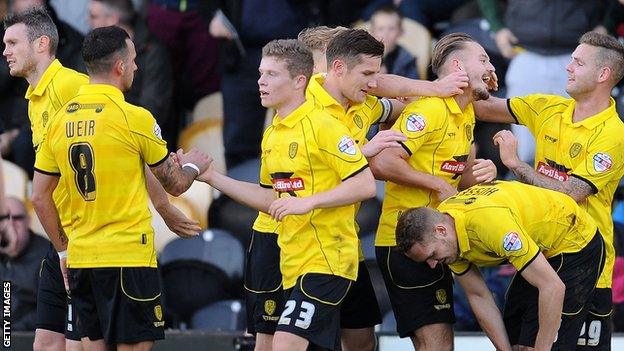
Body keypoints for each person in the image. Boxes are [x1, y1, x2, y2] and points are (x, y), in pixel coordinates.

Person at [30, 25, 211, 351]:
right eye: (134, 60)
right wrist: (195, 164)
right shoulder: (134, 118)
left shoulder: (58, 121)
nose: (137, 67)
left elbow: (38, 196)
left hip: (82, 259)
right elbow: (176, 183)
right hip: (127, 257)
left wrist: (63, 250)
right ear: (120, 67)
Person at [195, 39, 376, 351]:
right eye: (261, 74)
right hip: (292, 260)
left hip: (328, 259)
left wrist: (308, 202)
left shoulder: (324, 125)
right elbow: (271, 199)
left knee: (284, 344)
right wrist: (212, 179)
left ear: (299, 81)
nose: (261, 82)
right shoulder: (274, 132)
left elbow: (365, 184)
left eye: (271, 75)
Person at [475, 31, 624, 350]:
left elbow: (573, 191)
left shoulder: (613, 134)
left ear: (602, 74)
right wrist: (468, 81)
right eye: (570, 59)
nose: (568, 67)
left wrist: (518, 165)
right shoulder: (549, 107)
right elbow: (483, 109)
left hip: (585, 268)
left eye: (578, 62)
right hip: (538, 258)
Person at [368, 32, 497, 351]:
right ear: (457, 67)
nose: (491, 67)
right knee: (436, 345)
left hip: (438, 236)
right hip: (406, 241)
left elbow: (458, 180)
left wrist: (483, 172)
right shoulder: (430, 110)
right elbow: (381, 162)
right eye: (482, 60)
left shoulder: (465, 113)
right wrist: (436, 184)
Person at [395, 180, 605, 351]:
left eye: (432, 255)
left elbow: (553, 287)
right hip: (540, 246)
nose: (433, 265)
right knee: (513, 343)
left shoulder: (490, 225)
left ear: (441, 231)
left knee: (535, 346)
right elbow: (479, 296)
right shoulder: (447, 236)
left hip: (574, 243)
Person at [476, 0, 608, 166]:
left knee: (579, 139)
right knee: (525, 147)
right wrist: (498, 27)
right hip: (526, 51)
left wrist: (607, 24)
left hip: (578, 51)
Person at [88, 0, 174, 141]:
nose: (88, 21)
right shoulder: (91, 48)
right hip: (98, 135)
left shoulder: (152, 52)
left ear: (112, 20)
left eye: (93, 16)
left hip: (140, 140)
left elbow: (153, 110)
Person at [0, 197, 49, 331]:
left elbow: (53, 309)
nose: (9, 225)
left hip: (27, 337)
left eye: (16, 218)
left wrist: (10, 332)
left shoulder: (47, 256)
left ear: (28, 220)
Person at [370, 5, 419, 79]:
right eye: (380, 29)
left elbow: (414, 84)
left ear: (400, 32)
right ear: (372, 32)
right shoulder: (365, 56)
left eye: (391, 28)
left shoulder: (407, 59)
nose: (386, 33)